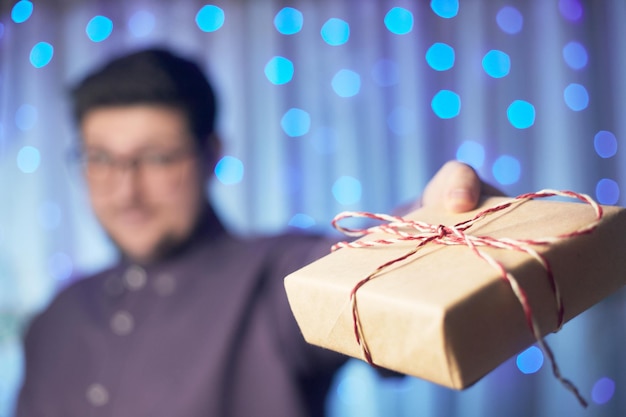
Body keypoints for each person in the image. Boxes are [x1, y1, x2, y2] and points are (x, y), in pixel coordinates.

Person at [15, 47, 490, 417]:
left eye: (156, 158)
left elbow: (368, 264)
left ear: (212, 153)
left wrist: (441, 218)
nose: (125, 191)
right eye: (100, 160)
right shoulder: (56, 318)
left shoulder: (277, 279)